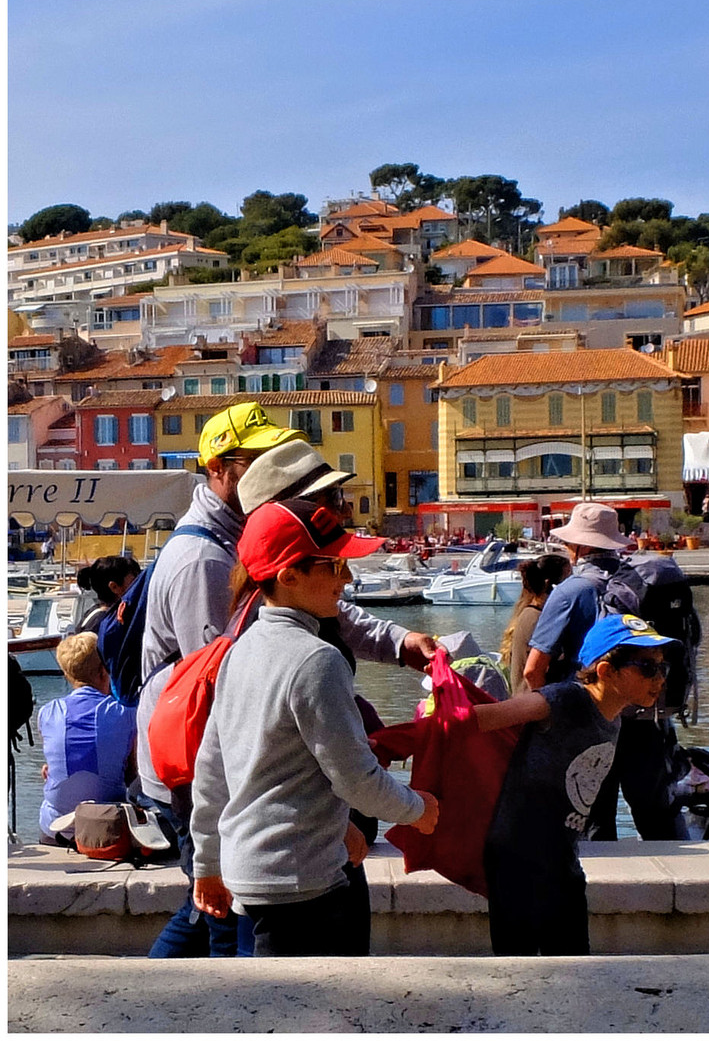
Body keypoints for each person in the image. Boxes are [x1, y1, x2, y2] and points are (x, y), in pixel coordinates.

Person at [137, 407, 437, 960]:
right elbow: (243, 739)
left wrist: (397, 643)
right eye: (319, 498)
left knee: (230, 929)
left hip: (263, 829)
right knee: (227, 931)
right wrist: (398, 811)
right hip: (283, 846)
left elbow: (327, 614)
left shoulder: (272, 593)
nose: (336, 508)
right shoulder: (204, 563)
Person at [189, 499, 439, 956]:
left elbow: (212, 769)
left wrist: (207, 862)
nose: (346, 579)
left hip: (250, 881)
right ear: (289, 576)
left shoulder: (239, 651)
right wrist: (418, 809)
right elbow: (357, 779)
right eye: (335, 566)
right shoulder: (316, 659)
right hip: (305, 889)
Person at [477, 613, 678, 955]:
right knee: (518, 968)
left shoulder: (615, 718)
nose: (658, 678)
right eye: (647, 667)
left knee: (574, 965)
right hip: (516, 863)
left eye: (662, 667)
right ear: (605, 671)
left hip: (562, 862)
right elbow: (485, 718)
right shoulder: (565, 699)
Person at [524, 502, 686, 841]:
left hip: (591, 717)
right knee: (655, 811)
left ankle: (603, 887)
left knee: (594, 815)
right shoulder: (645, 581)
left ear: (579, 546)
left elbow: (533, 669)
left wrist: (546, 720)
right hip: (646, 714)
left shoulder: (572, 590)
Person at [37, 633, 136, 842]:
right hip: (107, 826)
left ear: (68, 675)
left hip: (56, 828)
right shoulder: (124, 713)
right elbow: (132, 774)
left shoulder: (47, 712)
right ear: (103, 671)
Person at [500, 553, 573, 695]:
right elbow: (534, 672)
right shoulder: (539, 619)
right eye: (567, 577)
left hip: (525, 702)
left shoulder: (529, 613)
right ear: (549, 583)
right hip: (533, 706)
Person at [74, 556, 142, 634]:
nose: (139, 586)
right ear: (114, 587)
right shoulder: (104, 624)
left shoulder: (97, 615)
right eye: (134, 582)